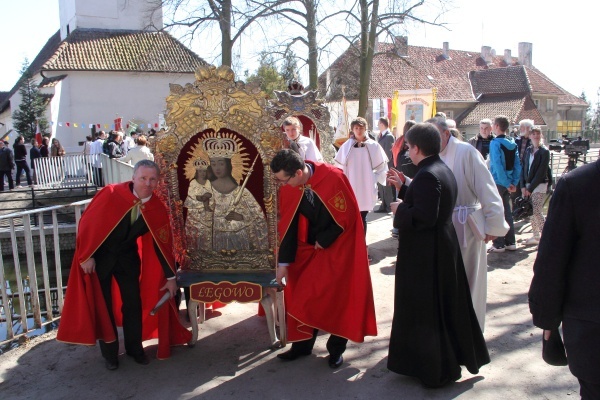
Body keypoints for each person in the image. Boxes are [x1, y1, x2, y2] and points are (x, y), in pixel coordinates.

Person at [57, 160, 192, 370]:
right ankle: (110, 355)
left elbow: (161, 244)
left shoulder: (157, 208)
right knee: (104, 306)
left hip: (128, 260)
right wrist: (86, 256)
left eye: (152, 179)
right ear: (134, 177)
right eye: (143, 178)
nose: (147, 183)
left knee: (133, 304)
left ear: (158, 182)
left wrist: (171, 277)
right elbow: (87, 224)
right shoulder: (111, 193)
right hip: (99, 259)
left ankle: (134, 349)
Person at [386, 122, 489, 388]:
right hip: (439, 249)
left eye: (408, 146)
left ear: (417, 147)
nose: (407, 151)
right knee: (441, 309)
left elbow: (425, 216)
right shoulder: (438, 168)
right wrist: (405, 190)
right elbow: (430, 201)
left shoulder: (428, 174)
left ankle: (435, 369)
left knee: (428, 313)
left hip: (427, 256)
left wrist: (400, 211)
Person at [270, 149, 377, 368]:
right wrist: (283, 264)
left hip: (338, 248)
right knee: (302, 294)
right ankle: (301, 345)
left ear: (298, 173)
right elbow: (288, 227)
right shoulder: (291, 187)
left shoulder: (333, 177)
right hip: (307, 250)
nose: (282, 185)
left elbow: (347, 216)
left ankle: (336, 350)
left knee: (339, 298)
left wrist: (325, 239)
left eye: (284, 180)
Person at [529, 158, 600, 400]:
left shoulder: (577, 184)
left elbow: (552, 259)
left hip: (590, 324)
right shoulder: (578, 184)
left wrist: (547, 319)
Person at [430, 116, 508, 330]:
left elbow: (487, 189)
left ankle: (470, 331)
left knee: (469, 279)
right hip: (443, 227)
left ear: (446, 133)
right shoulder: (433, 154)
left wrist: (493, 225)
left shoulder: (466, 152)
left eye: (434, 135)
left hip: (467, 226)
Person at [185, 133, 268, 253]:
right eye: (213, 164)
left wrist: (242, 217)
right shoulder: (205, 190)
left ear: (229, 165)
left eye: (221, 163)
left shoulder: (243, 193)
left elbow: (258, 221)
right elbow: (193, 221)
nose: (217, 168)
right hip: (213, 242)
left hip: (239, 244)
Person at [334, 117, 388, 242]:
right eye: (356, 128)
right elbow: (339, 168)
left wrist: (375, 178)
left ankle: (362, 245)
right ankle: (352, 244)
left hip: (366, 185)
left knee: (363, 216)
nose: (359, 131)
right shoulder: (347, 146)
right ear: (352, 130)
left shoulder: (373, 145)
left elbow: (381, 167)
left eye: (361, 128)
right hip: (351, 185)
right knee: (351, 218)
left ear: (366, 129)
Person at [488, 115, 521, 253]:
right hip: (509, 183)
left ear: (496, 126)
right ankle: (510, 242)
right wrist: (513, 182)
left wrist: (506, 183)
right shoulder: (513, 143)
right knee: (507, 211)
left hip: (498, 182)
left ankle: (499, 244)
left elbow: (497, 165)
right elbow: (518, 165)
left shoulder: (495, 143)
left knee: (496, 212)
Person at [520, 127, 550, 246]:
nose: (536, 136)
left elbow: (541, 172)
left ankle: (546, 237)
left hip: (539, 184)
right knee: (530, 211)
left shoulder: (544, 152)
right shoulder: (528, 150)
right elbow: (523, 168)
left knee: (537, 211)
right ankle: (536, 236)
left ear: (541, 135)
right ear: (530, 136)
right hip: (528, 184)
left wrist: (530, 188)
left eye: (538, 134)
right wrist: (523, 186)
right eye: (533, 134)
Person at [375, 117, 395, 213]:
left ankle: (389, 206)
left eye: (379, 124)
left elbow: (389, 153)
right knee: (381, 185)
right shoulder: (381, 136)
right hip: (380, 165)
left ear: (382, 124)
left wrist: (382, 163)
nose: (378, 126)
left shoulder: (389, 136)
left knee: (387, 185)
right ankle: (383, 205)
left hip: (386, 165)